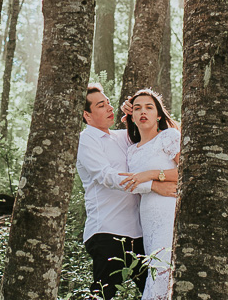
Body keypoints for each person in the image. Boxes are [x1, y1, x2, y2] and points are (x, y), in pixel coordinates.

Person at [76, 83, 178, 300]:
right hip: (107, 232)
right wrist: (152, 185)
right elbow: (106, 176)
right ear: (87, 114)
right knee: (103, 294)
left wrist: (138, 112)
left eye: (109, 103)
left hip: (139, 235)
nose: (109, 108)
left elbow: (157, 136)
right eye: (101, 106)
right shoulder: (87, 140)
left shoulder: (120, 138)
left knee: (158, 289)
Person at [118, 89, 181, 300]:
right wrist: (150, 183)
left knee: (165, 267)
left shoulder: (169, 136)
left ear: (159, 115)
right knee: (154, 265)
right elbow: (130, 183)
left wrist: (152, 174)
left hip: (169, 210)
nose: (143, 112)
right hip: (147, 215)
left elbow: (189, 171)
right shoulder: (131, 150)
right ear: (131, 116)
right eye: (137, 108)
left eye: (149, 107)